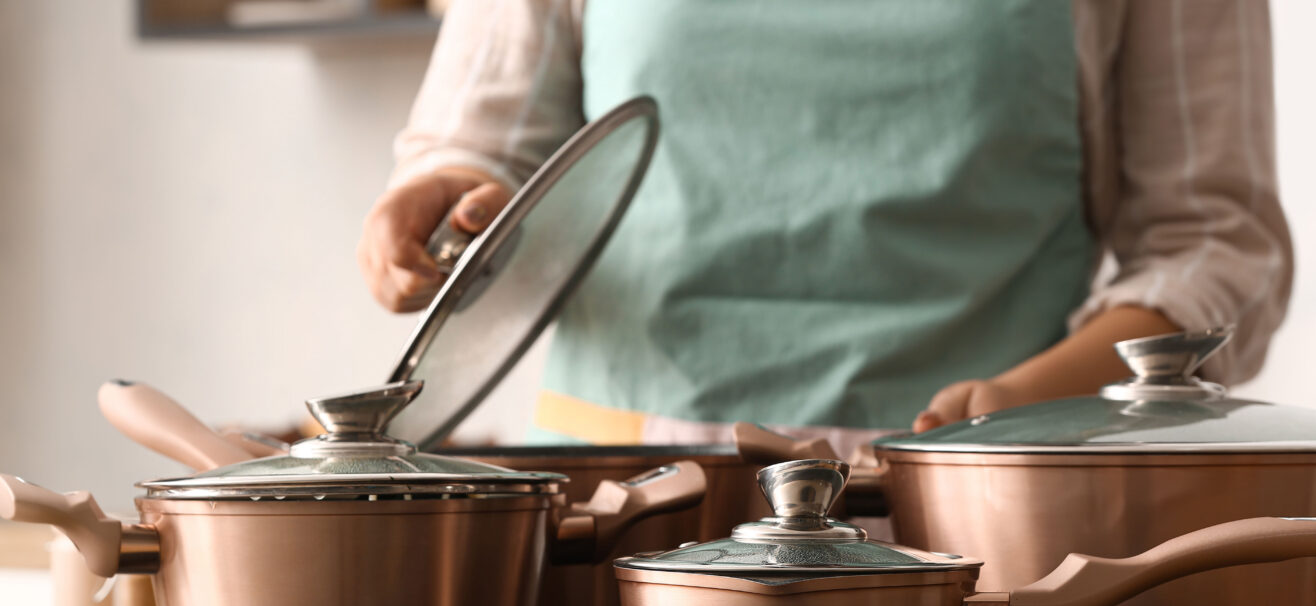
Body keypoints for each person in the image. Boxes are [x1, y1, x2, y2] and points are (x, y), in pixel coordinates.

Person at [358, 0, 1291, 452]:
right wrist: (445, 202)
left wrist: (1034, 400)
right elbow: (480, 144)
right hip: (616, 509)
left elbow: (1213, 241)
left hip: (975, 523)